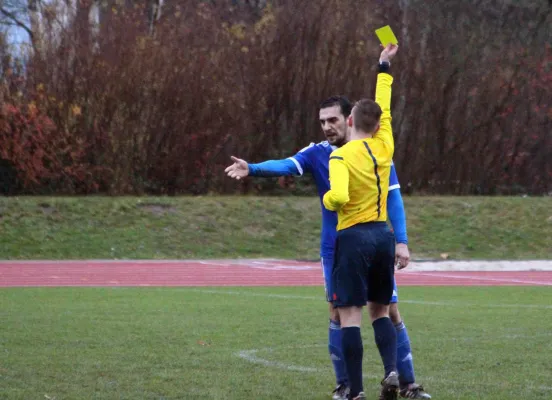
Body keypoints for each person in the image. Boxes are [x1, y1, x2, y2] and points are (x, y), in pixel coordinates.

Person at [224, 47, 430, 400]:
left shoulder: (374, 152)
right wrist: (254, 167)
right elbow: (286, 164)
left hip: (369, 239)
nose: (326, 127)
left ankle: (407, 383)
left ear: (349, 118)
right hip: (336, 247)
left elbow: (393, 196)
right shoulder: (324, 152)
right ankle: (347, 386)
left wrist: (403, 240)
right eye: (322, 122)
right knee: (339, 311)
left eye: (332, 120)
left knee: (388, 309)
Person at [323, 43, 399, 400]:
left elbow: (337, 197)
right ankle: (392, 370)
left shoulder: (340, 157)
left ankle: (354, 392)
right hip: (383, 235)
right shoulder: (385, 147)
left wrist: (327, 199)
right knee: (381, 310)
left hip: (353, 237)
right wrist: (384, 67)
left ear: (349, 121)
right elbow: (382, 108)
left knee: (349, 314)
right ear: (378, 124)